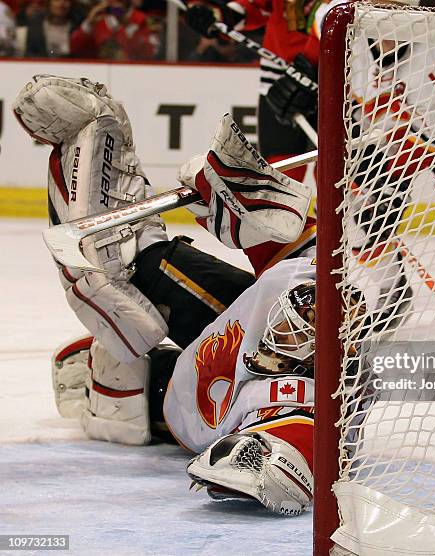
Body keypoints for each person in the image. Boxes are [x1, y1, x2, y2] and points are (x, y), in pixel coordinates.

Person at [13, 75, 322, 516]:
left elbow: (277, 466)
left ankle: (149, 261)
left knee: (306, 305)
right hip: (249, 390)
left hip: (221, 400)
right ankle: (211, 231)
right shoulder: (293, 391)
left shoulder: (244, 400)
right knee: (314, 300)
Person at [183, 0, 328, 182]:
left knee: (340, 173)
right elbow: (257, 6)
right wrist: (224, 15)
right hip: (281, 78)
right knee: (282, 173)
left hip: (342, 72)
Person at [70, 0, 160, 59]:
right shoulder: (98, 19)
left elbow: (149, 54)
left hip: (133, 73)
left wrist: (128, 27)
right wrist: (89, 23)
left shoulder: (142, 20)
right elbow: (76, 50)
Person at [18, 0, 83, 57]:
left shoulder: (77, 26)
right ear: (49, 3)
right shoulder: (36, 25)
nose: (61, 3)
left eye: (66, 1)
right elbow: (30, 53)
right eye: (57, 0)